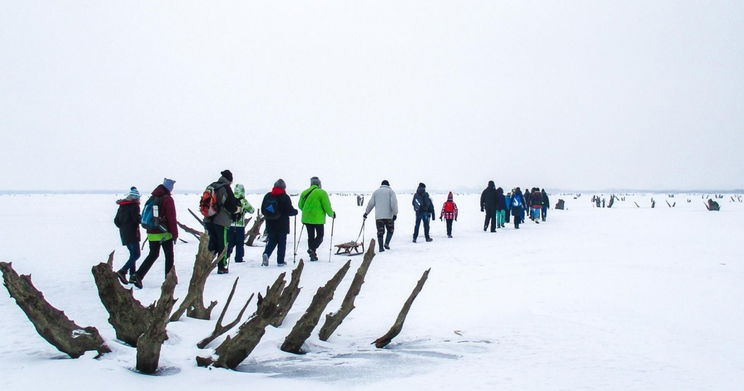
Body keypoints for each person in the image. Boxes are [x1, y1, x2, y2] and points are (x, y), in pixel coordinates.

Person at [132, 178, 178, 289]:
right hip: (164, 232)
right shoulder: (168, 199)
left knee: (153, 254)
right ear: (169, 187)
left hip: (151, 232)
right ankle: (169, 279)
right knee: (169, 255)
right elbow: (172, 219)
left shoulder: (153, 197)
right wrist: (175, 234)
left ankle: (137, 275)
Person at [203, 170, 239, 274]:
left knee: (211, 243)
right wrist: (237, 210)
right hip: (221, 221)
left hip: (208, 219)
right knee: (222, 244)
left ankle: (204, 263)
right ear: (230, 179)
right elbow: (231, 205)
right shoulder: (226, 188)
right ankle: (222, 266)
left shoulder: (212, 186)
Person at [298, 176, 335, 262]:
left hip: (307, 219)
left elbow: (300, 205)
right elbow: (327, 206)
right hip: (318, 219)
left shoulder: (304, 193)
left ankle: (312, 254)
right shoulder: (322, 193)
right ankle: (312, 249)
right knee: (320, 236)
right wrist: (331, 214)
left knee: (310, 237)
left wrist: (307, 211)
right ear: (319, 184)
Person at [261, 179, 297, 266]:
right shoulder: (285, 197)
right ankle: (280, 261)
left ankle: (266, 254)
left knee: (272, 240)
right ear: (284, 187)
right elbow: (288, 210)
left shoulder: (268, 196)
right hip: (282, 224)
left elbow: (263, 210)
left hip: (270, 223)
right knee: (282, 242)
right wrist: (295, 212)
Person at [114, 187, 141, 285]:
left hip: (124, 234)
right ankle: (123, 271)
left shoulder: (122, 206)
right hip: (133, 233)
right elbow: (136, 219)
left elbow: (116, 221)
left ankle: (132, 275)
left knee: (132, 254)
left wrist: (123, 227)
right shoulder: (134, 206)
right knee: (136, 254)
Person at [364, 180, 398, 252]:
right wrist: (395, 213)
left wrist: (366, 213)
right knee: (390, 230)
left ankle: (381, 248)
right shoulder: (391, 192)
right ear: (388, 185)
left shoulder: (376, 192)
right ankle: (386, 243)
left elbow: (371, 204)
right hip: (389, 216)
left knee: (380, 232)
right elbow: (394, 203)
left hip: (379, 217)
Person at [226, 183, 254, 264]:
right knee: (239, 243)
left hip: (230, 225)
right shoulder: (243, 201)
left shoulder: (230, 200)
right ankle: (239, 258)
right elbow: (252, 210)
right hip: (240, 226)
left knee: (229, 242)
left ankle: (226, 256)